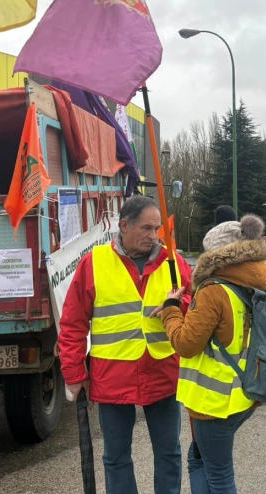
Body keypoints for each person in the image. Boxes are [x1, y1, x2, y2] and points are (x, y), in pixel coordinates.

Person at [59, 195, 193, 494]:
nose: (153, 235)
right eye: (146, 228)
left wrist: (178, 303)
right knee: (116, 457)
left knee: (169, 453)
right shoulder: (94, 263)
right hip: (113, 374)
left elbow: (194, 304)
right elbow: (72, 323)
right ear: (124, 225)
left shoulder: (174, 262)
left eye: (157, 228)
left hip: (164, 372)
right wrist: (74, 374)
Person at [158, 213, 266, 494]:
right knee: (202, 459)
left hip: (213, 402)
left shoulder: (213, 290)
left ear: (218, 255)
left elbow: (185, 344)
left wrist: (170, 309)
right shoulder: (252, 284)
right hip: (243, 393)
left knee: (215, 473)